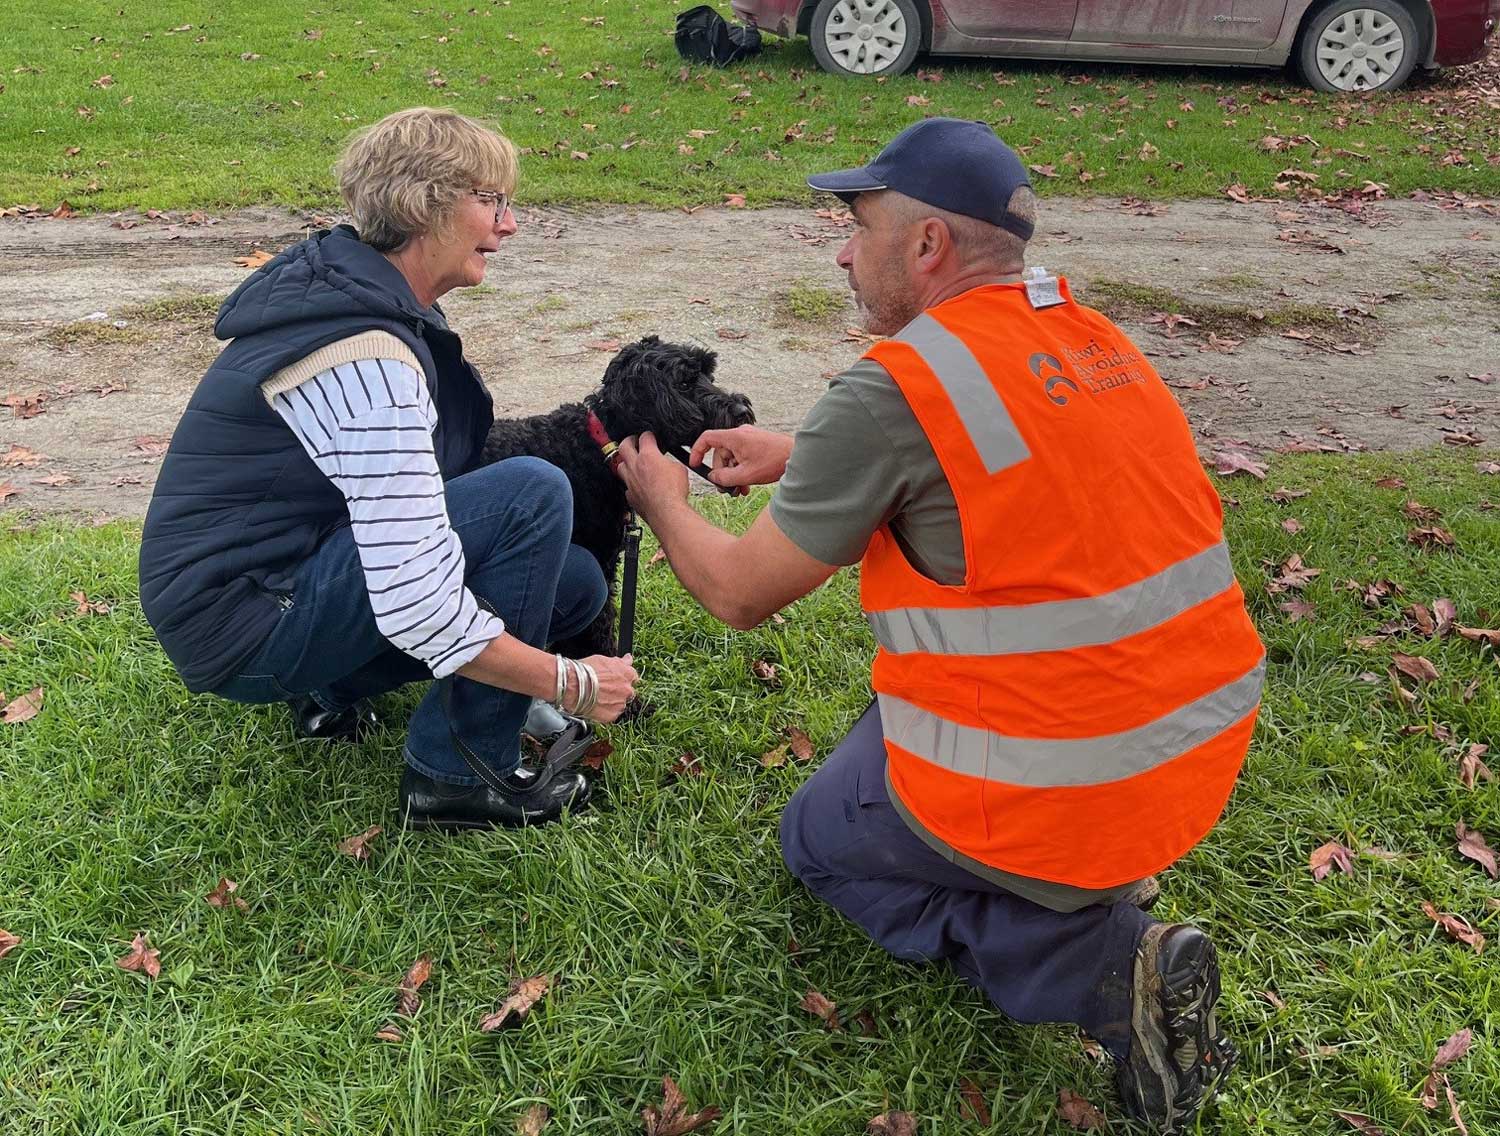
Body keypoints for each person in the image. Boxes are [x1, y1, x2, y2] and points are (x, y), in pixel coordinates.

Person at [613, 118, 1265, 1133]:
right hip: (1194, 745)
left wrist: (663, 499)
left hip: (1064, 771)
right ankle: (1080, 875)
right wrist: (805, 453)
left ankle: (1106, 964)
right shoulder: (1091, 341)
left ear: (927, 248)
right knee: (901, 730)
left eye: (858, 224)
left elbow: (740, 594)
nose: (840, 249)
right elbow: (1001, 467)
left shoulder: (894, 389)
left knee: (817, 842)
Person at [138, 107, 637, 830]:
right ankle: (459, 772)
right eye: (491, 201)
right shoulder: (368, 357)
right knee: (530, 491)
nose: (509, 224)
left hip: (252, 589)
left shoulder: (347, 294)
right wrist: (572, 680)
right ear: (425, 204)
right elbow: (415, 602)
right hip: (243, 622)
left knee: (573, 585)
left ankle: (332, 685)